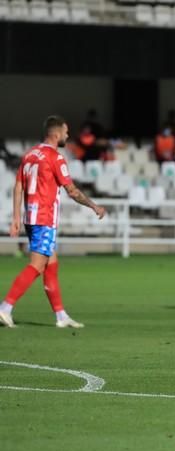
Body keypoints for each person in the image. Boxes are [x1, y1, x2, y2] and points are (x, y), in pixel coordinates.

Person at [0, 116, 106, 329]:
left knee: (51, 264)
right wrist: (94, 206)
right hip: (44, 218)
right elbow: (72, 191)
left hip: (31, 217)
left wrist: (16, 218)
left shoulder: (30, 155)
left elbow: (18, 187)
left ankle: (60, 316)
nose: (68, 135)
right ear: (56, 134)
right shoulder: (55, 158)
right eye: (66, 132)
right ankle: (5, 307)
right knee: (38, 265)